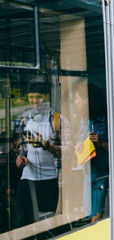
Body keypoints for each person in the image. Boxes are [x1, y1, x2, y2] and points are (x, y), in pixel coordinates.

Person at [15, 80, 72, 227]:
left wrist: (47, 145)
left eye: (38, 97)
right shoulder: (24, 121)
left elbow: (69, 151)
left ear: (46, 97)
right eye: (31, 97)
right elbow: (22, 149)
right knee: (23, 222)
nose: (35, 101)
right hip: (28, 180)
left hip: (51, 181)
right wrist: (21, 159)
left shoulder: (58, 121)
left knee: (49, 226)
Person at [74, 81, 109, 222]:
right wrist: (78, 145)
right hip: (90, 170)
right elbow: (80, 139)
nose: (75, 102)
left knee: (99, 212)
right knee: (91, 210)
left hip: (104, 172)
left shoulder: (106, 119)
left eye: (77, 98)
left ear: (86, 100)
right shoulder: (85, 120)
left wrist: (100, 142)